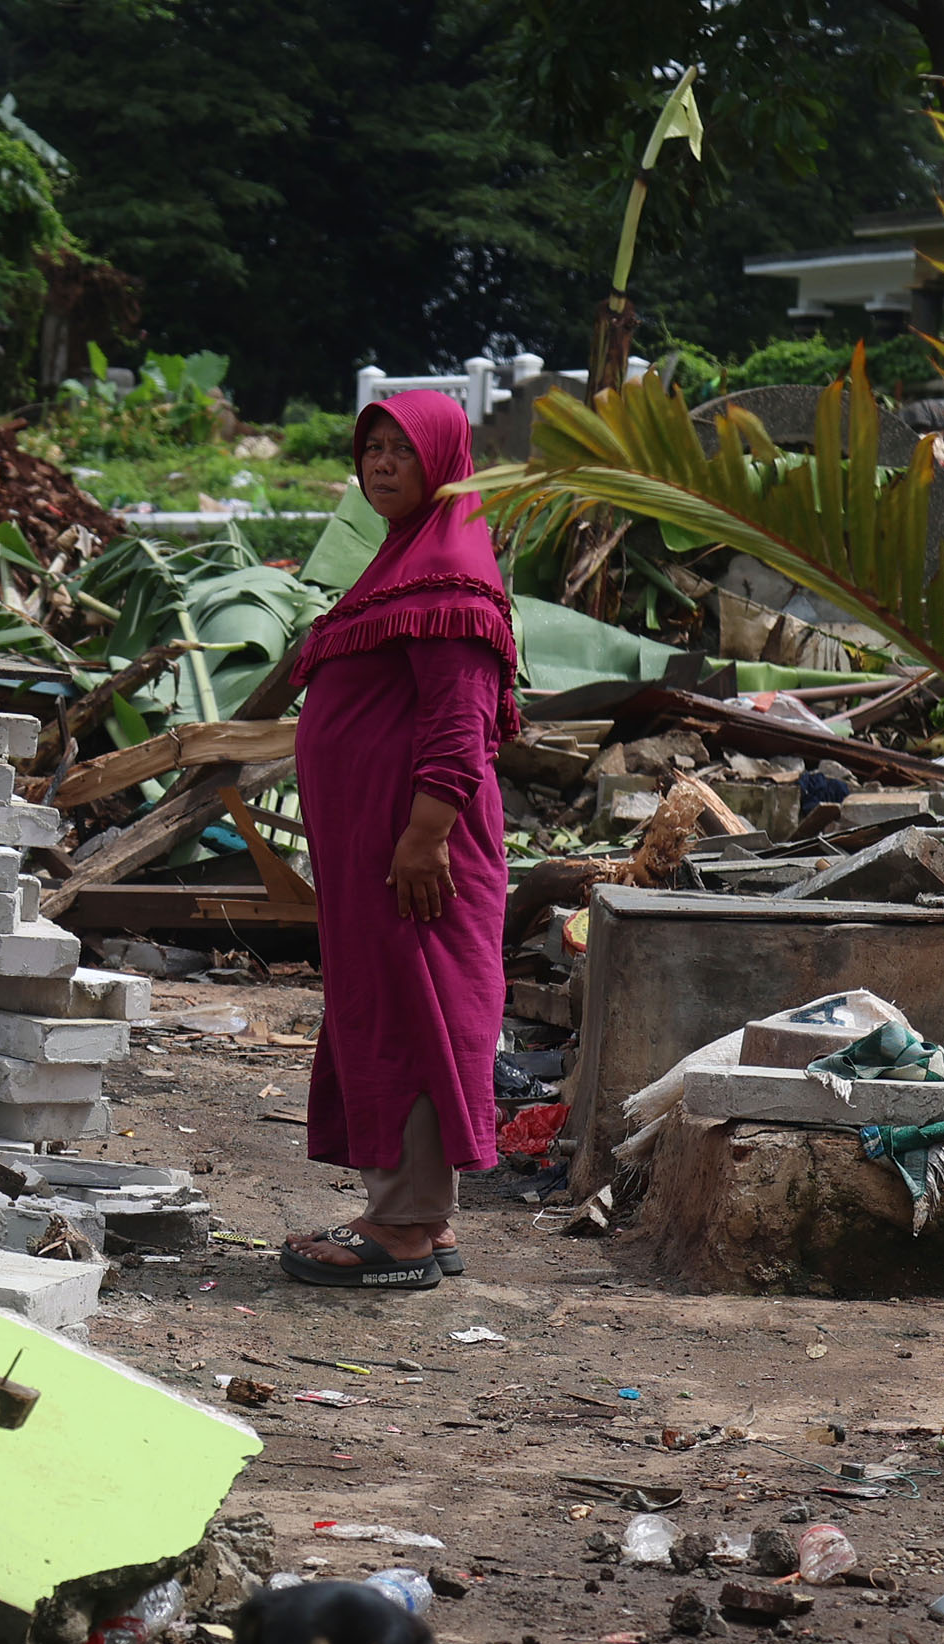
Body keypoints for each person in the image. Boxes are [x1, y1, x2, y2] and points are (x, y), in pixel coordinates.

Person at [279, 390, 516, 1289]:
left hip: (418, 849)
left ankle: (406, 1229)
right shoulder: (401, 558)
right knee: (392, 1008)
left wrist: (423, 837)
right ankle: (415, 1214)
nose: (380, 465)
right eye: (370, 448)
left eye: (400, 451)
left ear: (443, 461)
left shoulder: (450, 569)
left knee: (419, 1015)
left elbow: (460, 723)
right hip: (381, 849)